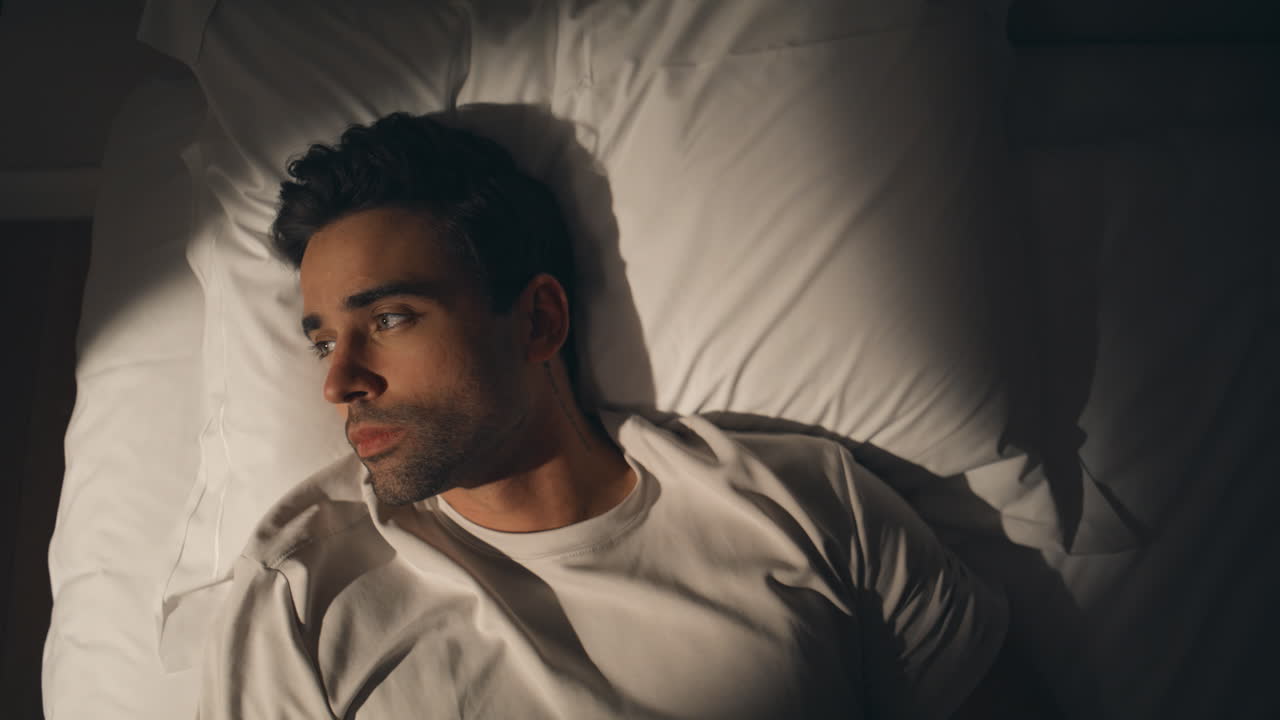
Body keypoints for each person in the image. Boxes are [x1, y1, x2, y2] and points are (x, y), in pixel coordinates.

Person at [196, 112, 1012, 719]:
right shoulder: (299, 591)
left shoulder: (801, 503)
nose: (339, 380)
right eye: (321, 342)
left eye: (390, 319)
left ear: (540, 320)